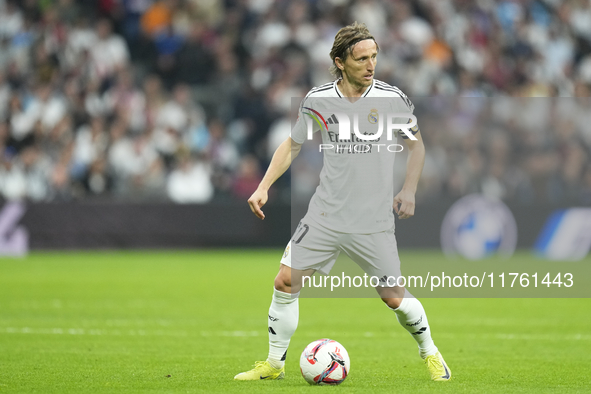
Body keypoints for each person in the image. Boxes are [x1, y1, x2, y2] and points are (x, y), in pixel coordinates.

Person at [235, 22, 451, 382]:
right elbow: (293, 144)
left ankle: (430, 352)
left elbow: (417, 145)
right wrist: (264, 186)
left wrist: (409, 189)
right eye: (362, 58)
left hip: (373, 220)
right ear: (340, 61)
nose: (371, 65)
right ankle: (274, 364)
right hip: (326, 215)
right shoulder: (318, 99)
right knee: (285, 281)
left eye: (374, 57)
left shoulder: (391, 99)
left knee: (394, 297)